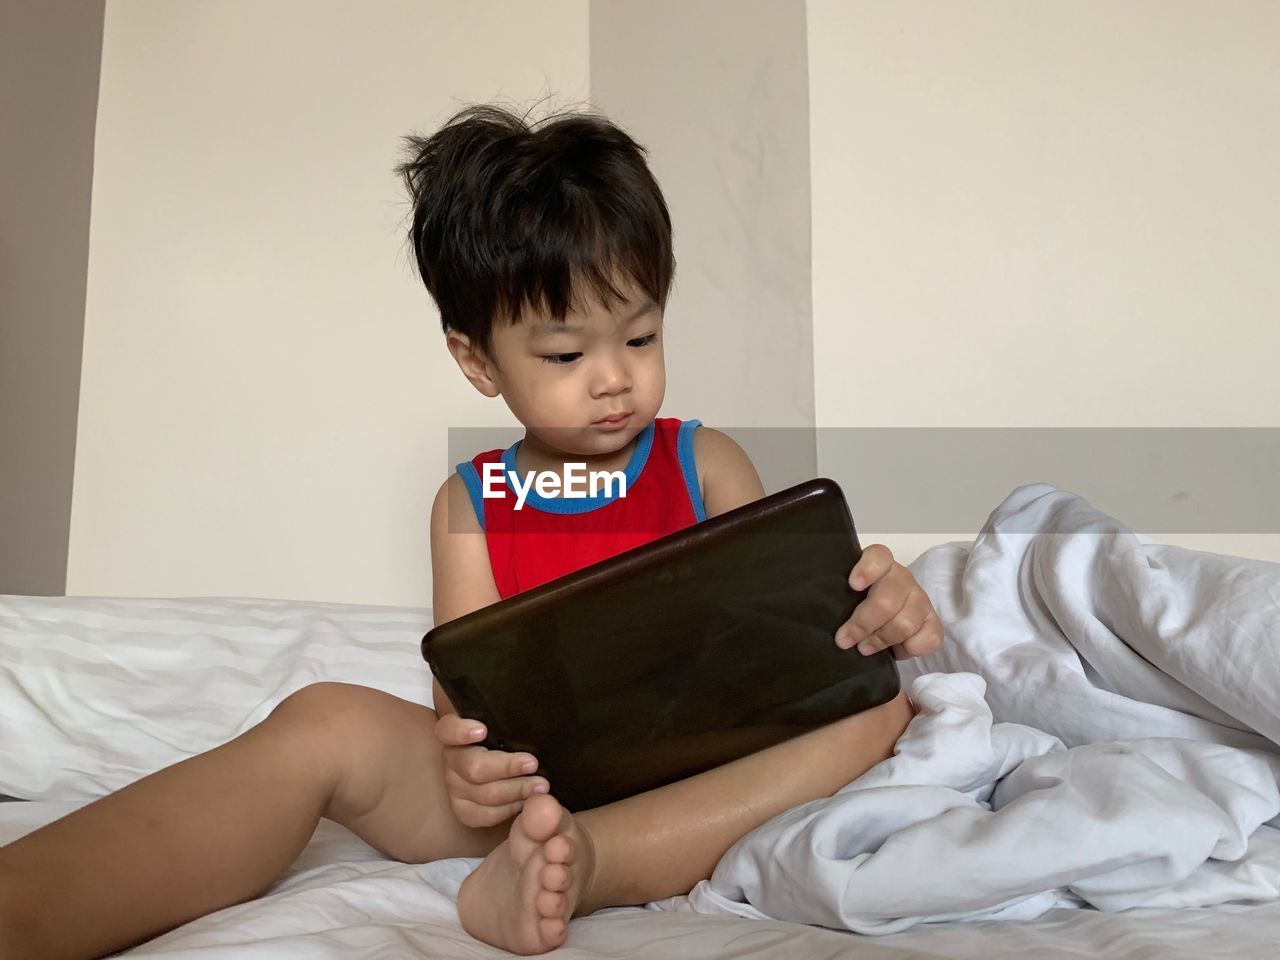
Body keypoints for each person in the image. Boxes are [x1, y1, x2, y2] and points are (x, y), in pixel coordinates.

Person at [0, 102, 943, 959]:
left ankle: (590, 865)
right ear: (477, 361)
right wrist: (472, 768)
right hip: (538, 790)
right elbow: (468, 709)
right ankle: (27, 904)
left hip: (704, 771)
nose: (614, 377)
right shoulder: (470, 505)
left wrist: (875, 609)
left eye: (642, 338)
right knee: (325, 720)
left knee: (885, 708)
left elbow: (791, 638)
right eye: (568, 353)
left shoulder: (711, 465)